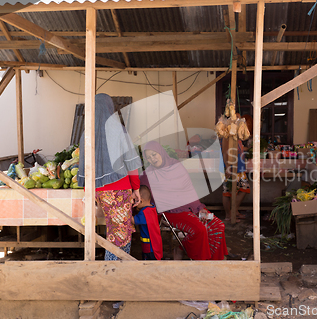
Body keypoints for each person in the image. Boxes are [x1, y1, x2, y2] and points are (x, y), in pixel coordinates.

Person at [78, 93, 142, 260]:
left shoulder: (86, 133)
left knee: (114, 230)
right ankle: (113, 271)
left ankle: (115, 268)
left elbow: (85, 165)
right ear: (110, 108)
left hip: (97, 190)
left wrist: (89, 191)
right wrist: (136, 188)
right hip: (118, 188)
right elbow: (131, 163)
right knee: (120, 234)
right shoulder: (117, 129)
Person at [140, 141, 228, 260]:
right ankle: (190, 254)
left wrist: (200, 208)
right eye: (149, 157)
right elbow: (143, 197)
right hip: (172, 212)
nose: (153, 159)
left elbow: (189, 188)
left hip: (193, 206)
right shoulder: (147, 175)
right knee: (200, 229)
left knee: (218, 225)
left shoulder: (176, 165)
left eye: (154, 154)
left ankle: (213, 261)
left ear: (160, 152)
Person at [220, 114, 252, 223]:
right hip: (231, 167)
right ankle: (229, 215)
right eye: (236, 120)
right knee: (227, 192)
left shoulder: (236, 135)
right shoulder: (226, 136)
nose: (239, 121)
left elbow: (239, 149)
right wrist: (228, 167)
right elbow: (224, 152)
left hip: (240, 168)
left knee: (243, 189)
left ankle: (235, 211)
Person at [133, 185, 163, 260]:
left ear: (141, 200)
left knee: (148, 266)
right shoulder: (152, 208)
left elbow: (133, 220)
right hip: (155, 245)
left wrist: (124, 211)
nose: (133, 203)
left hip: (149, 248)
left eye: (135, 200)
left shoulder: (144, 213)